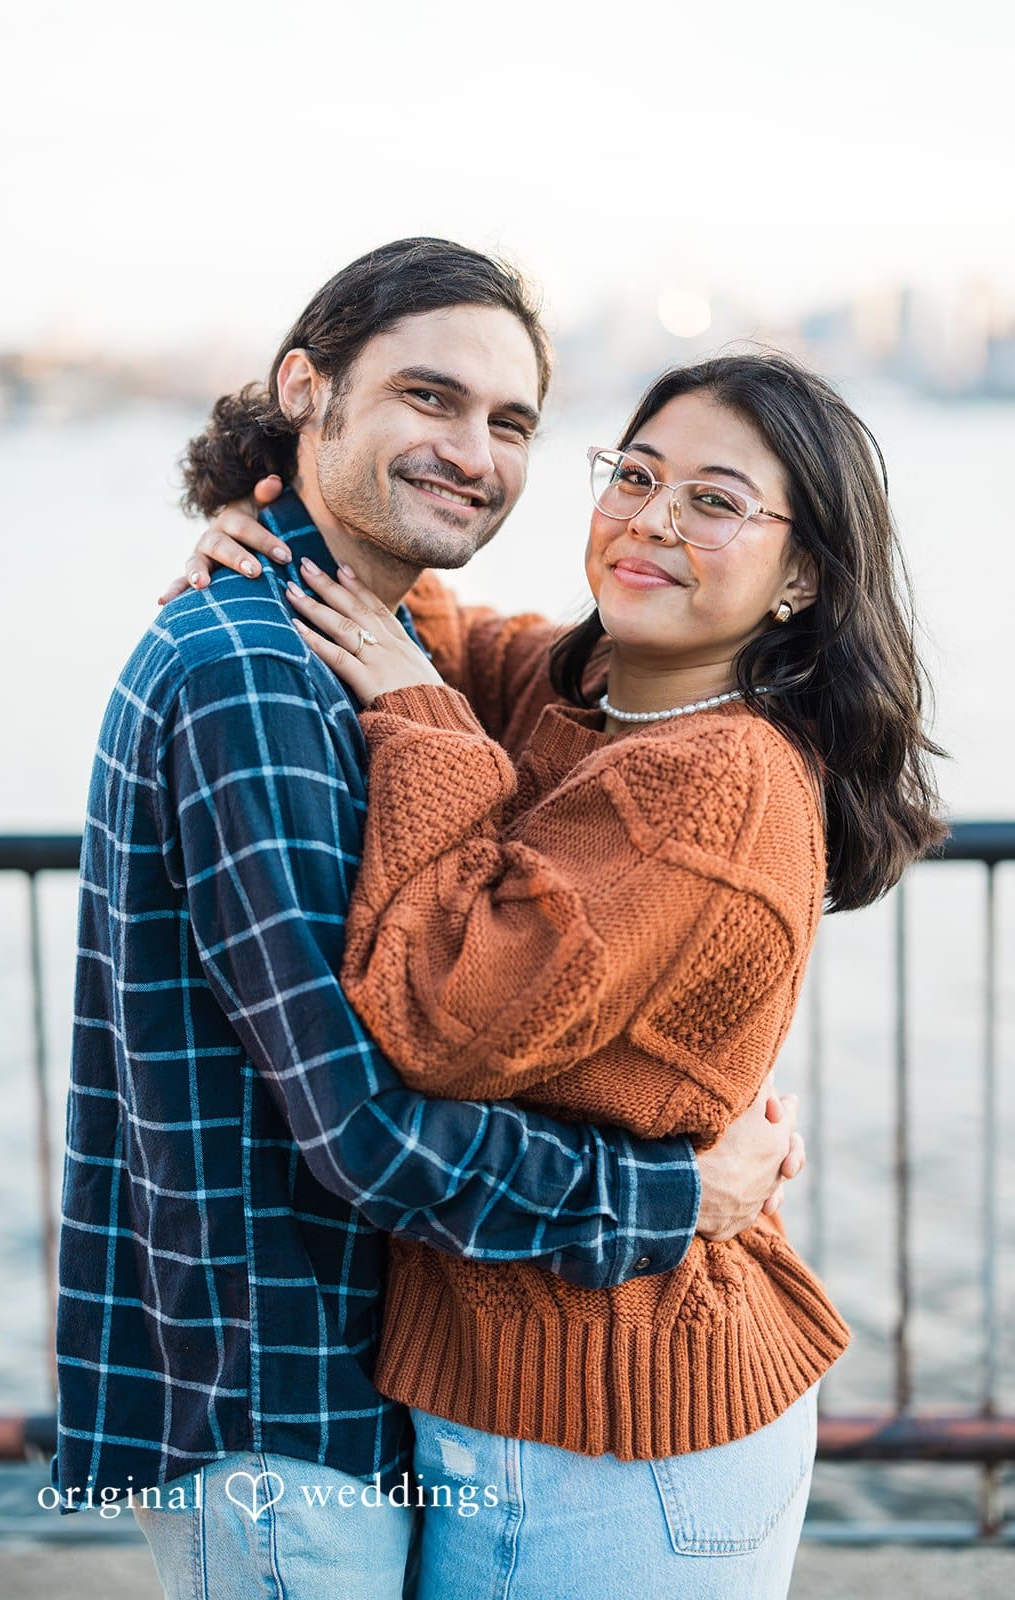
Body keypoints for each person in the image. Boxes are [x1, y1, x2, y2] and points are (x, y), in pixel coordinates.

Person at [57, 240, 803, 1600]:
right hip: (285, 1404)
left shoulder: (336, 644)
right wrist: (672, 1195)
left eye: (508, 422)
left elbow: (462, 662)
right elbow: (366, 1125)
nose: (471, 449)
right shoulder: (254, 675)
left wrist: (278, 530)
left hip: (371, 1390)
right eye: (427, 397)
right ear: (308, 387)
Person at [182, 350, 945, 1597]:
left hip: (621, 1434)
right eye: (633, 475)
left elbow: (440, 1018)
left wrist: (418, 719)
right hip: (538, 1392)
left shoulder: (716, 777)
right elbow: (434, 630)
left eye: (714, 500)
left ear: (801, 573)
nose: (648, 518)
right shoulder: (591, 688)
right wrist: (276, 531)